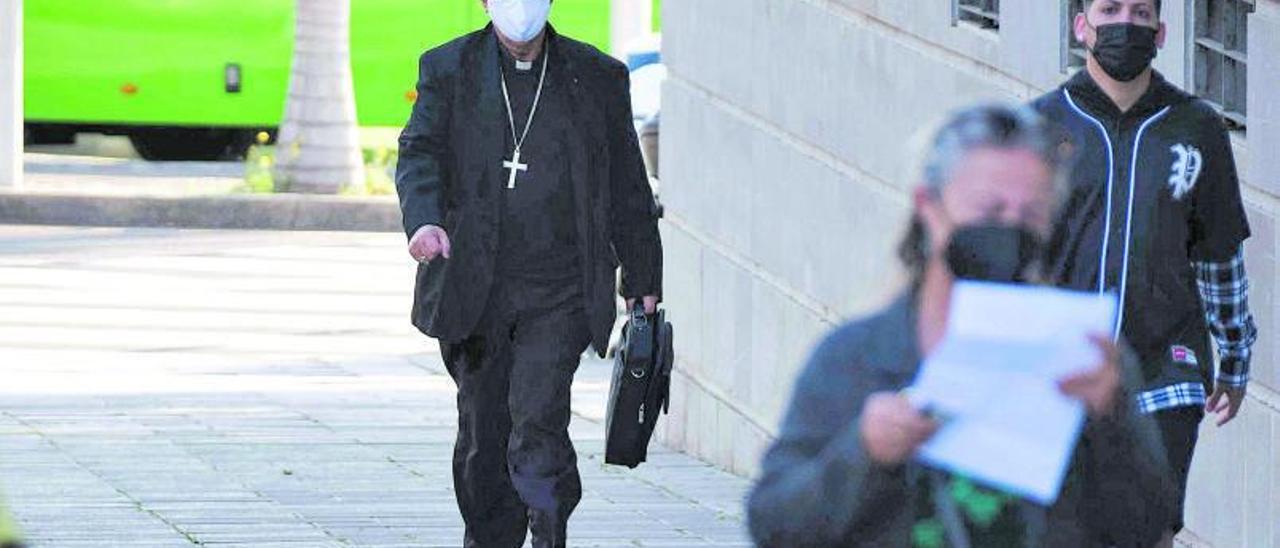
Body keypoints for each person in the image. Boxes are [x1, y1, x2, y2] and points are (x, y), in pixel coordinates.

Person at [746, 105, 1172, 547]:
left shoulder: (1085, 358)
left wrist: (1112, 420)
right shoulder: (856, 357)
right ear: (929, 207)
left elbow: (1144, 527)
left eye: (1028, 216)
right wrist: (862, 452)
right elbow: (774, 524)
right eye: (989, 210)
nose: (1007, 228)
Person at [394, 0, 663, 545]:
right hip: (476, 288)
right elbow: (418, 153)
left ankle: (548, 528)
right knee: (482, 433)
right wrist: (423, 223)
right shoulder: (448, 68)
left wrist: (643, 280)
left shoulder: (597, 76)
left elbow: (628, 184)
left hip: (560, 289)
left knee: (538, 419)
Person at [1030, 1, 1257, 542]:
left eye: (1140, 11)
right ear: (1081, 25)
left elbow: (1219, 252)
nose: (1125, 23)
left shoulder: (1197, 129)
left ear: (1161, 32)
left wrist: (1235, 355)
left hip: (1165, 373)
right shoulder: (1039, 127)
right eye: (1110, 9)